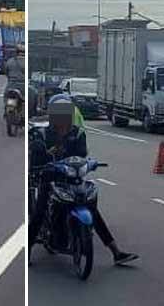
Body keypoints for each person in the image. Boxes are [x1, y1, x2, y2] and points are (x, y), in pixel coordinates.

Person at [29, 101, 138, 265]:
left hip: (73, 179)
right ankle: (29, 250)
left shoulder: (78, 134)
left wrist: (90, 164)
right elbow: (37, 158)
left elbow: (81, 156)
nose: (63, 122)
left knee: (92, 210)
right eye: (59, 117)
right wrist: (46, 155)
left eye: (65, 117)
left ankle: (116, 251)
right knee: (38, 213)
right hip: (51, 179)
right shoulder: (44, 135)